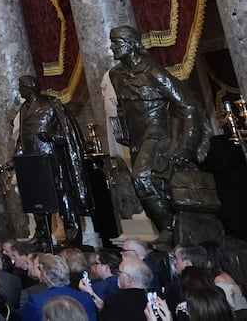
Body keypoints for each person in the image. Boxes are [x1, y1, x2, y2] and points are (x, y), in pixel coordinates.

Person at [107, 25, 209, 240]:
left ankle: (171, 229)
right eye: (112, 41)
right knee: (149, 188)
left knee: (141, 178)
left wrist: (186, 146)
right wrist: (121, 129)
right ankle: (173, 233)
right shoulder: (115, 75)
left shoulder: (154, 73)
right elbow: (122, 107)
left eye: (117, 42)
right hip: (136, 137)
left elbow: (188, 106)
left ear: (133, 44)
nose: (112, 47)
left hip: (158, 134)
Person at [13, 76, 95, 248]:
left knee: (63, 196)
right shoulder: (24, 109)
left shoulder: (51, 106)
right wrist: (16, 159)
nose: (20, 90)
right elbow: (23, 138)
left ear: (31, 88)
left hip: (53, 159)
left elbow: (68, 133)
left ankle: (72, 233)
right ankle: (42, 234)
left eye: (22, 86)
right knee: (37, 198)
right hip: (32, 162)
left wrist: (52, 137)